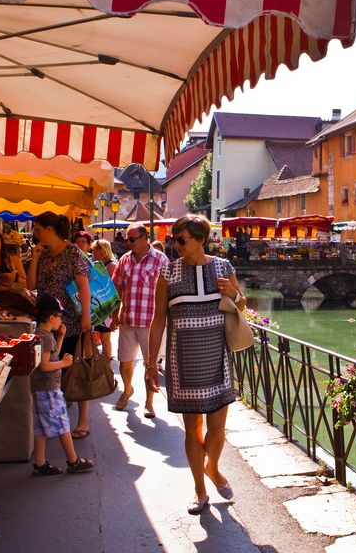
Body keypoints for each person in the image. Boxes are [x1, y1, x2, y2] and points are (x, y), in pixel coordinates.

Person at [147, 214, 247, 514]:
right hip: (183, 362)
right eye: (174, 239)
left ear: (200, 240)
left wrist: (234, 294)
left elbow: (242, 304)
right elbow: (158, 320)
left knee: (217, 430)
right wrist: (152, 363)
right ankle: (200, 490)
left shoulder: (223, 267)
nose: (175, 245)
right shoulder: (167, 274)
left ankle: (212, 467)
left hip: (217, 358)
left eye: (181, 240)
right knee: (193, 429)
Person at [28, 212, 95, 439]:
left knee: (76, 369)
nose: (35, 233)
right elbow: (32, 285)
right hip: (47, 325)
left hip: (71, 321)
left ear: (49, 229)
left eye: (37, 229)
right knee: (54, 371)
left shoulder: (72, 252)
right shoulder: (44, 254)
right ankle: (58, 419)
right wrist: (35, 259)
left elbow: (83, 286)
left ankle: (82, 421)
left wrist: (86, 317)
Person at [29, 295, 95, 476]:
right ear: (51, 318)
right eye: (59, 317)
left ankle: (40, 463)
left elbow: (52, 355)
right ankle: (73, 460)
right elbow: (44, 365)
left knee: (41, 428)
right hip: (49, 388)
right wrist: (64, 364)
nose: (61, 320)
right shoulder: (46, 338)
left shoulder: (41, 335)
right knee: (62, 424)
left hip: (39, 389)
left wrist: (61, 337)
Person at [110, 224, 168, 417]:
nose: (128, 243)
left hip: (150, 322)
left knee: (149, 364)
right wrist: (113, 314)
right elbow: (117, 287)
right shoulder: (124, 260)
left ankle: (149, 402)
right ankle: (128, 390)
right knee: (124, 361)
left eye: (132, 239)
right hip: (127, 319)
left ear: (145, 238)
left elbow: (169, 292)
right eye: (127, 239)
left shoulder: (161, 260)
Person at [91, 238, 119, 360]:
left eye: (95, 250)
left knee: (105, 338)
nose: (93, 253)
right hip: (97, 305)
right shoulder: (97, 264)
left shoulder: (111, 265)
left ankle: (107, 366)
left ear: (102, 250)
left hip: (106, 308)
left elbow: (112, 288)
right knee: (95, 337)